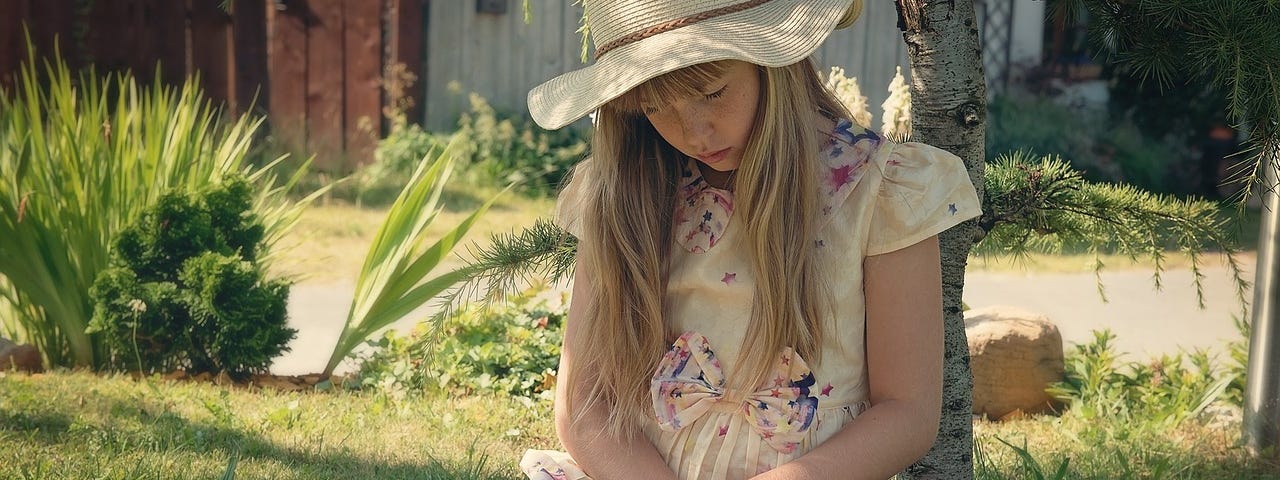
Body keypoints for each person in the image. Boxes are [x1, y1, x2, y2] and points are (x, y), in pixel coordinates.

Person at [520, 1, 981, 479]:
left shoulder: (878, 192)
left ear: (773, 60)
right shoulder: (624, 196)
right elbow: (584, 401)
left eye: (713, 92)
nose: (695, 133)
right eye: (655, 106)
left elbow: (906, 411)